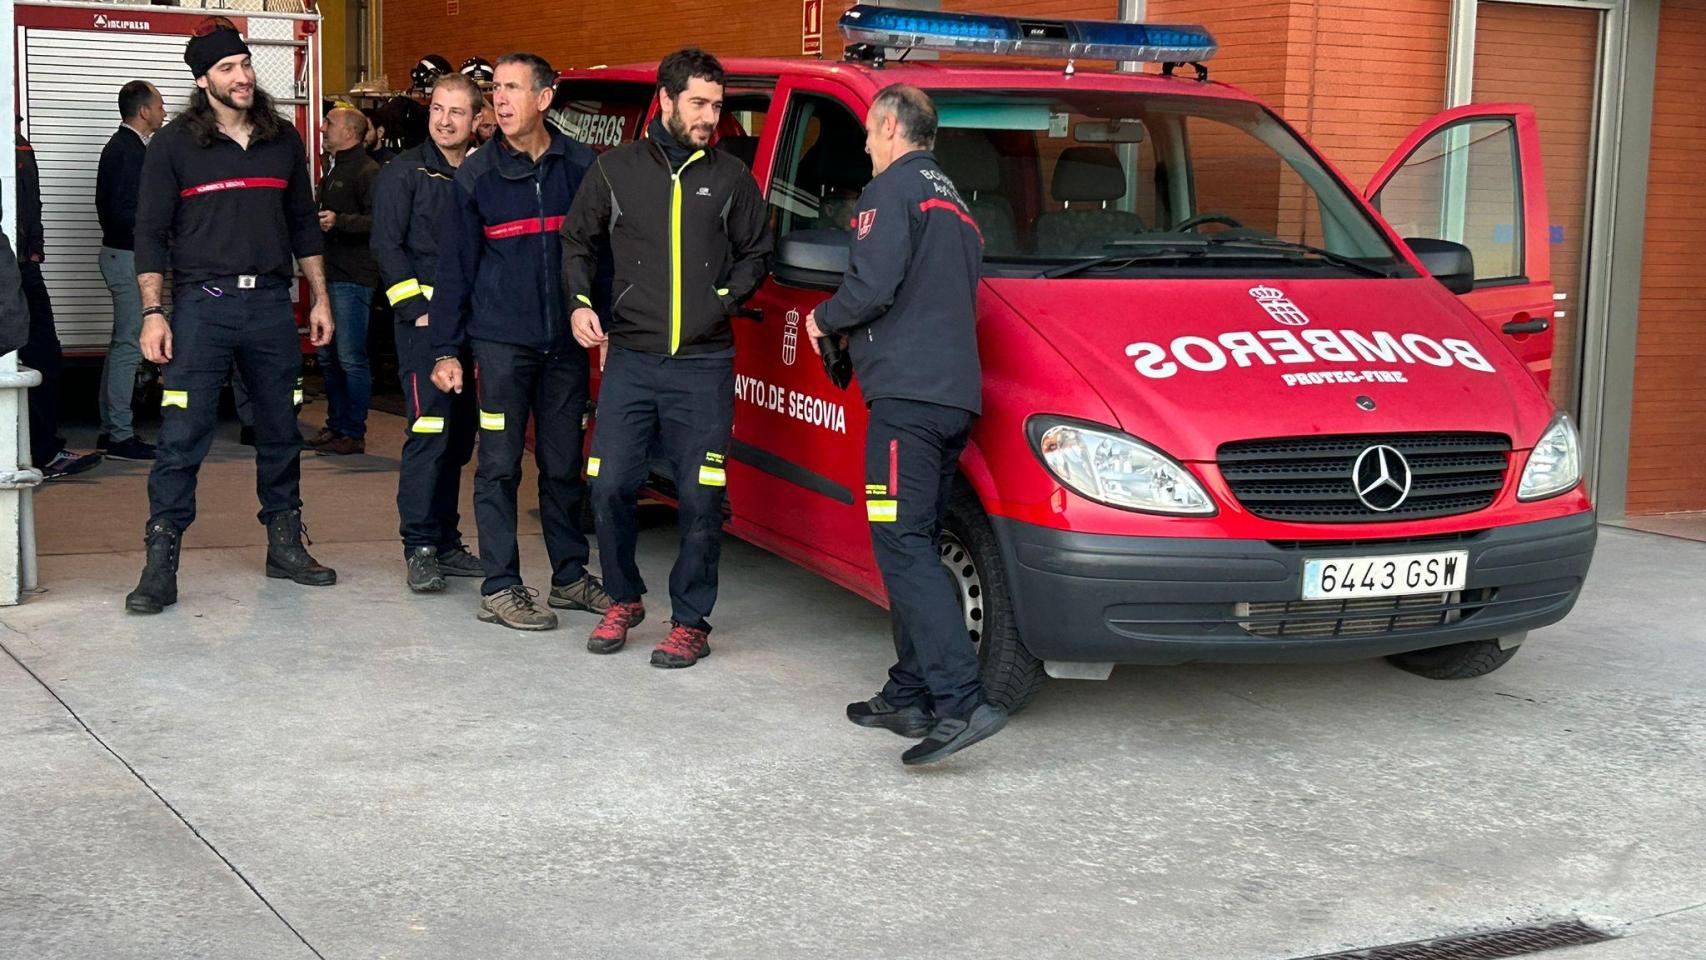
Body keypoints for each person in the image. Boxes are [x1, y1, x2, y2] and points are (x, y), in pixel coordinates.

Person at [805, 84, 1006, 765]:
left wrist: (821, 320)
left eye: (867, 131)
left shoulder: (889, 193)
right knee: (915, 537)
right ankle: (910, 689)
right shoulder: (957, 205)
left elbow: (871, 287)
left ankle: (959, 700)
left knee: (902, 544)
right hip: (952, 400)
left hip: (908, 405)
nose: (863, 144)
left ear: (891, 126)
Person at [564, 47, 769, 668]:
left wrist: (721, 300)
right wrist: (578, 304)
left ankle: (690, 619)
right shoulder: (615, 170)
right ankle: (623, 598)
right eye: (700, 103)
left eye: (717, 105)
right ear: (667, 99)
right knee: (608, 488)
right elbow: (578, 240)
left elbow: (757, 252)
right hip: (631, 358)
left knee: (703, 497)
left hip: (704, 365)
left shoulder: (731, 176)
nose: (711, 116)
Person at [125, 26, 337, 614]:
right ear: (202, 80)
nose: (242, 76)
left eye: (244, 64)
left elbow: (301, 225)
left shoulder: (282, 140)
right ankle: (160, 564)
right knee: (181, 438)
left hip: (270, 305)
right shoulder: (173, 146)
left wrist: (318, 297)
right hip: (202, 307)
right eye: (226, 69)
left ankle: (285, 545)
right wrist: (152, 312)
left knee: (281, 429)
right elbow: (150, 233)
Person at [430, 52, 610, 630]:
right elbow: (454, 269)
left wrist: (600, 318)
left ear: (545, 98)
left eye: (512, 88)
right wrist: (444, 348)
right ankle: (501, 584)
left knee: (562, 465)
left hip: (564, 346)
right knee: (501, 466)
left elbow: (599, 256)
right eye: (496, 90)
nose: (500, 100)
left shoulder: (581, 167)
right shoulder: (476, 176)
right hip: (501, 346)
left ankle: (569, 577)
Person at [372, 72, 485, 592]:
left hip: (473, 331)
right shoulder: (405, 172)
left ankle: (446, 541)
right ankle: (419, 545)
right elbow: (386, 248)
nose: (444, 120)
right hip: (424, 329)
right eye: (438, 109)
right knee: (429, 434)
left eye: (457, 112)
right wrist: (416, 311)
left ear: (476, 119)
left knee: (460, 440)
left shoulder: (484, 171)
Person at [16, 130, 103, 481]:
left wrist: (35, 248)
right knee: (40, 356)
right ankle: (43, 453)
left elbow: (29, 202)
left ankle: (44, 451)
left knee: (44, 358)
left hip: (23, 266)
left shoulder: (17, 138)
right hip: (13, 266)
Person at [95, 80, 167, 462]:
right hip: (126, 258)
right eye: (159, 105)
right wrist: (156, 229)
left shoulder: (127, 148)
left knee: (121, 344)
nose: (164, 112)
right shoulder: (126, 151)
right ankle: (120, 436)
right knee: (128, 346)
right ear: (143, 112)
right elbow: (118, 213)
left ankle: (112, 430)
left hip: (124, 255)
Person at [308, 107, 380, 456]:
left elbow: (380, 223)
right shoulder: (334, 170)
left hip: (353, 278)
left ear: (350, 132)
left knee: (350, 357)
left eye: (330, 124)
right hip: (327, 276)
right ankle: (336, 426)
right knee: (328, 358)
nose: (322, 128)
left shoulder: (367, 171)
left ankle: (353, 431)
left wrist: (340, 221)